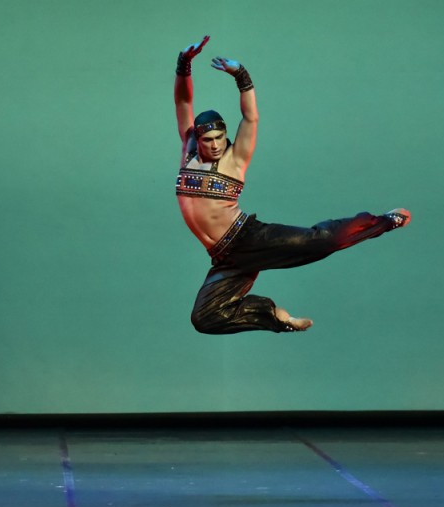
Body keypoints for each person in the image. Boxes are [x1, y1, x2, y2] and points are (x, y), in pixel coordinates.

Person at [174, 36, 411, 334]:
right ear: (198, 137)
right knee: (204, 318)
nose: (215, 144)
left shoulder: (235, 159)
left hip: (248, 238)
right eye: (208, 140)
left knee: (322, 241)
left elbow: (251, 117)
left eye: (219, 138)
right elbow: (183, 101)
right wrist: (184, 63)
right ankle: (273, 315)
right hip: (225, 257)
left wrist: (242, 76)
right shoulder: (189, 149)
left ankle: (385, 221)